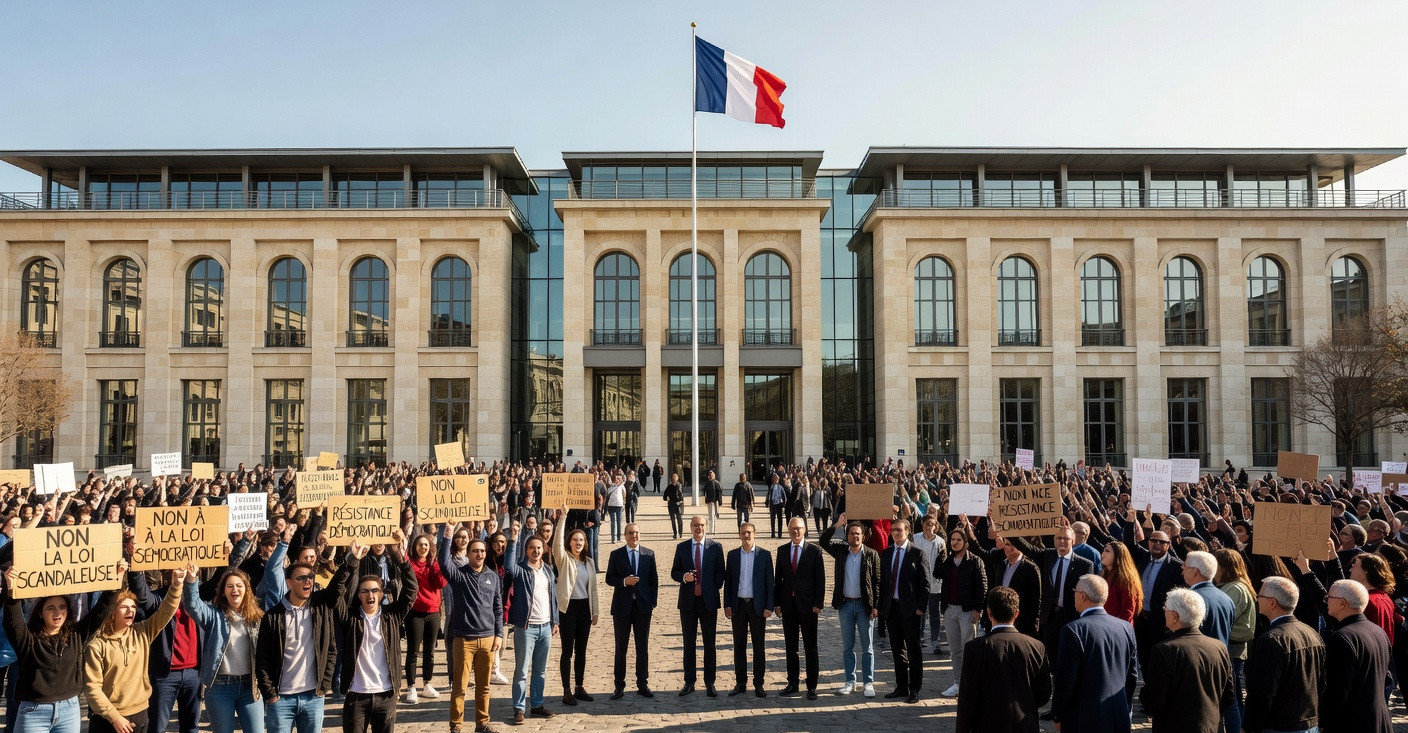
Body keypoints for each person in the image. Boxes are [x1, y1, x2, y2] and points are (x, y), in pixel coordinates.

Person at [3, 559, 123, 733]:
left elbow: (102, 609)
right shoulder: (27, 639)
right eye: (50, 608)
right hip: (33, 713)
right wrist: (10, 589)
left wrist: (116, 579)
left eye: (62, 607)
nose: (57, 612)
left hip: (69, 711)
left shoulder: (76, 635)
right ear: (40, 613)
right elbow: (12, 621)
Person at [255, 553, 356, 733]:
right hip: (281, 699)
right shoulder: (272, 616)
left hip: (313, 696)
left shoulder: (320, 606)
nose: (307, 581)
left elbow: (331, 650)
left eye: (310, 577)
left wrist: (324, 684)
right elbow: (262, 659)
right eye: (301, 578)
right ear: (289, 583)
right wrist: (269, 693)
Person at [84, 567, 186, 733]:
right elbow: (92, 689)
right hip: (107, 719)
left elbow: (166, 611)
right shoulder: (97, 645)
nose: (130, 610)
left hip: (140, 714)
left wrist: (176, 586)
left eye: (133, 606)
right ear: (112, 612)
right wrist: (114, 717)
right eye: (124, 607)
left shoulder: (143, 631)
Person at [335, 538, 418, 733]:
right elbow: (337, 593)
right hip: (356, 694)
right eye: (365, 591)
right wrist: (352, 561)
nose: (370, 595)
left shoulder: (392, 616)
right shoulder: (350, 618)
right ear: (359, 595)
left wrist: (400, 558)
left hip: (386, 695)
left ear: (381, 594)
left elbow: (411, 589)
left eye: (374, 591)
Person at [954, 587, 1051, 733]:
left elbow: (967, 698)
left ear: (989, 613)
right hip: (1025, 725)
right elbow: (1044, 692)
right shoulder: (1036, 647)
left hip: (987, 725)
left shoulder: (975, 648)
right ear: (1017, 613)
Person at [1050, 575, 1138, 733]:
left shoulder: (1073, 630)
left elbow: (1066, 680)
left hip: (1084, 718)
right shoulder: (1125, 628)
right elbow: (1132, 676)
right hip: (1118, 713)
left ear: (1083, 596)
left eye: (1075, 591)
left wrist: (1057, 714)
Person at [1138, 588, 1233, 733]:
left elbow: (1153, 701)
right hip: (1211, 726)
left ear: (1174, 616)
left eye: (1165, 608)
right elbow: (1228, 696)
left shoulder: (1165, 650)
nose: (1164, 611)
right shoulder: (1219, 647)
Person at [438, 526, 504, 733]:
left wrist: (499, 634)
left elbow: (498, 608)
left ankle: (482, 723)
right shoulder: (459, 576)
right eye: (475, 551)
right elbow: (443, 563)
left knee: (484, 686)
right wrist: (447, 535)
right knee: (460, 686)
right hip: (464, 639)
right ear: (468, 554)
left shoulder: (493, 577)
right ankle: (456, 725)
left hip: (488, 638)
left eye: (482, 551)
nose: (479, 554)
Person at [183, 567, 265, 733]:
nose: (235, 589)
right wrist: (191, 579)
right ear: (223, 591)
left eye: (239, 585)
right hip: (220, 688)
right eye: (230, 586)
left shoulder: (257, 617)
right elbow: (193, 606)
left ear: (246, 589)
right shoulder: (214, 615)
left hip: (250, 687)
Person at [1242, 576, 1325, 733]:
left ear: (1272, 602)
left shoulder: (1271, 640)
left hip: (1280, 725)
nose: (1257, 599)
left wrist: (1248, 727)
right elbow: (1321, 684)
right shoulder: (1312, 633)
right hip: (1308, 723)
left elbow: (1262, 693)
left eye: (1260, 596)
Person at [1012, 523, 1094, 674]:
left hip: (1071, 618)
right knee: (1051, 660)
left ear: (1073, 540)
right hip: (1049, 619)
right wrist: (1006, 528)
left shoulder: (1084, 565)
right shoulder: (1047, 556)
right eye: (1058, 538)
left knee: (1070, 659)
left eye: (1066, 539)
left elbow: (1088, 596)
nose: (1062, 542)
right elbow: (1025, 547)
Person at [501, 521, 558, 724]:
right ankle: (519, 708)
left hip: (545, 627)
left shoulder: (548, 570)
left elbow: (553, 597)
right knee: (522, 670)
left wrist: (555, 620)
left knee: (540, 671)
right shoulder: (520, 570)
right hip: (526, 628)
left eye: (539, 548)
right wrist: (514, 539)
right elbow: (508, 566)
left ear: (543, 550)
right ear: (526, 551)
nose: (536, 551)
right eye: (532, 548)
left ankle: (537, 704)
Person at [1321, 579, 1392, 733]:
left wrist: (1322, 721)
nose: (1326, 601)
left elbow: (1337, 692)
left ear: (1342, 603)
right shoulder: (1378, 632)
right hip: (1379, 720)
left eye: (1329, 597)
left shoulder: (1341, 638)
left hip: (1352, 724)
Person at [820, 516, 880, 697]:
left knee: (867, 647)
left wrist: (875, 606)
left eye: (858, 534)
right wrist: (837, 525)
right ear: (847, 536)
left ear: (863, 536)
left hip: (864, 606)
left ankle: (868, 682)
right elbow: (823, 541)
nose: (855, 536)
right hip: (845, 604)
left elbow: (878, 582)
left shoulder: (871, 554)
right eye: (852, 533)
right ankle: (850, 681)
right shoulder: (840, 551)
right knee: (848, 647)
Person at [671, 515, 725, 696]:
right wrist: (683, 577)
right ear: (690, 527)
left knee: (709, 643)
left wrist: (712, 586)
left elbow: (721, 573)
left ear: (705, 526)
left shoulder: (715, 547)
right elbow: (674, 572)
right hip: (688, 602)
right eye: (695, 525)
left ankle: (710, 682)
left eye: (701, 525)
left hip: (708, 602)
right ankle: (689, 681)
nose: (698, 528)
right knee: (689, 643)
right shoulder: (682, 547)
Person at [774, 516, 826, 699]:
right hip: (788, 606)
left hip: (808, 606)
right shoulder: (782, 551)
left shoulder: (814, 551)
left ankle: (811, 686)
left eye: (799, 528)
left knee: (810, 647)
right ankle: (793, 683)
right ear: (788, 531)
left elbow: (820, 580)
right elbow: (778, 580)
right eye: (792, 529)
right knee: (791, 647)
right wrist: (777, 603)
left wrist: (818, 604)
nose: (796, 532)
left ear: (804, 530)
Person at [605, 523, 657, 699]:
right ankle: (619, 685)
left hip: (643, 607)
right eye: (630, 533)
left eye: (636, 533)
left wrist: (652, 603)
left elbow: (654, 581)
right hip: (622, 607)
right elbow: (609, 578)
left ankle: (642, 683)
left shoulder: (648, 554)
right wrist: (624, 581)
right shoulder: (616, 554)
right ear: (625, 535)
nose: (634, 536)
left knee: (642, 647)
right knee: (621, 648)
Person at [879, 519, 929, 703]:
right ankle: (901, 686)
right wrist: (881, 607)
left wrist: (921, 607)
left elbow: (925, 583)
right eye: (893, 530)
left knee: (913, 649)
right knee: (897, 649)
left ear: (907, 531)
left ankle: (914, 688)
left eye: (899, 530)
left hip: (910, 609)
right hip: (892, 608)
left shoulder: (917, 553)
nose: (895, 533)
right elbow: (883, 583)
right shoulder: (887, 553)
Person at [549, 521, 597, 707]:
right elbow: (556, 545)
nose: (578, 543)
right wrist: (563, 518)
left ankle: (579, 686)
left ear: (585, 543)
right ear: (569, 542)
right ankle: (566, 689)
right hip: (568, 609)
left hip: (585, 608)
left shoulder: (589, 562)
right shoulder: (564, 559)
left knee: (581, 650)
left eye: (581, 540)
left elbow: (593, 589)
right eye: (575, 540)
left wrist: (595, 611)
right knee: (567, 651)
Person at [723, 522, 774, 697]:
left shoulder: (764, 555)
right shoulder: (732, 555)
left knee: (758, 647)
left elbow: (770, 583)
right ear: (739, 535)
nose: (746, 536)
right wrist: (727, 605)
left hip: (757, 607)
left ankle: (759, 683)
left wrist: (769, 606)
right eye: (743, 533)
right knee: (739, 646)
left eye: (749, 533)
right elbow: (728, 582)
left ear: (754, 534)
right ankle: (740, 682)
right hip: (738, 606)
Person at [1212, 547, 1255, 733]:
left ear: (1224, 566)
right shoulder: (1228, 586)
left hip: (1232, 650)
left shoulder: (1235, 588)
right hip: (1229, 648)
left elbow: (1225, 618)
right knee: (1231, 697)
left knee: (1231, 700)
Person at [405, 533, 447, 704]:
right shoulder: (410, 563)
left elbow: (441, 583)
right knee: (413, 651)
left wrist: (435, 564)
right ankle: (411, 686)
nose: (423, 547)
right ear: (415, 547)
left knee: (429, 652)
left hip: (433, 612)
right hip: (415, 612)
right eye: (420, 544)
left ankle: (427, 683)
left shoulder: (434, 564)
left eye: (426, 545)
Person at [1181, 550, 1233, 645]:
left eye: (1185, 565)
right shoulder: (1227, 598)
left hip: (1197, 651)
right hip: (1219, 652)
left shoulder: (1191, 599)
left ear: (1194, 571)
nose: (1182, 569)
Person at [910, 514, 946, 649]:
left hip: (935, 583)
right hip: (919, 582)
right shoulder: (915, 539)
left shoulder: (940, 542)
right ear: (923, 525)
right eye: (927, 524)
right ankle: (919, 638)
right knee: (920, 612)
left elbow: (943, 561)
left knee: (934, 613)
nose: (929, 527)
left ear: (936, 526)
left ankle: (935, 641)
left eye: (932, 525)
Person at [1098, 541, 1141, 624]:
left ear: (1118, 556)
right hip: (1102, 624)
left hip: (1116, 627)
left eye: (1107, 551)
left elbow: (1127, 612)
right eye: (1104, 550)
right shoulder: (1102, 575)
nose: (1103, 553)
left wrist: (1117, 628)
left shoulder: (1126, 580)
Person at [664, 475, 685, 540]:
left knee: (678, 520)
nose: (674, 480)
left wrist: (680, 501)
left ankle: (679, 533)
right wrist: (667, 498)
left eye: (675, 479)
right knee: (674, 520)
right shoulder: (670, 486)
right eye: (673, 479)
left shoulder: (678, 486)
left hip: (677, 504)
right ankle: (676, 534)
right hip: (673, 504)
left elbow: (681, 495)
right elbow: (665, 495)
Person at [703, 470, 724, 534]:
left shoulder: (716, 483)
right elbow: (705, 492)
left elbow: (719, 493)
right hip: (710, 501)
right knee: (711, 515)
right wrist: (706, 500)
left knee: (714, 515)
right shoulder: (707, 483)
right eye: (710, 475)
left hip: (715, 501)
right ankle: (711, 530)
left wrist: (720, 502)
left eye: (712, 475)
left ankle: (713, 530)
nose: (711, 476)